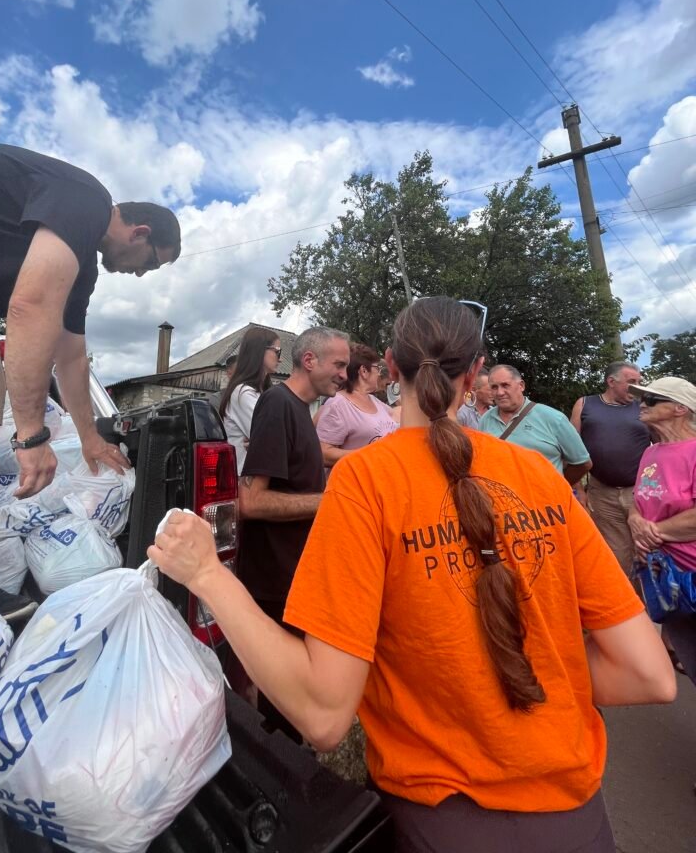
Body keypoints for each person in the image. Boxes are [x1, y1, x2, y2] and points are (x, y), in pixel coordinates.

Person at [149, 297, 674, 853]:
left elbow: (323, 713)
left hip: (441, 822)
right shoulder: (536, 474)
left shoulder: (364, 481)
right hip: (581, 821)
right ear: (474, 374)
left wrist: (207, 574)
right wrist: (524, 670)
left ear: (391, 365)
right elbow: (650, 676)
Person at [0, 140, 180, 619]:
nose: (142, 274)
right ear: (140, 232)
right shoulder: (87, 200)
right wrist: (30, 434)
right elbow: (31, 305)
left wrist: (89, 438)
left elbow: (71, 356)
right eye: (151, 263)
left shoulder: (82, 268)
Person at [236, 326, 349, 739]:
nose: (345, 375)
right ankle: (276, 767)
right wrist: (331, 502)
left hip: (295, 576)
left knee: (294, 697)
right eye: (339, 365)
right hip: (274, 582)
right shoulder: (277, 404)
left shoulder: (301, 409)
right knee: (282, 706)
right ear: (309, 360)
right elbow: (250, 501)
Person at [627, 376, 696, 682]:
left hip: (691, 571)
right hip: (662, 576)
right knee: (690, 656)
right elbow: (639, 499)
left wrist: (652, 532)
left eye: (652, 399)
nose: (642, 404)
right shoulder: (651, 452)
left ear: (680, 408)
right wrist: (634, 520)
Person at [569, 362, 650, 577]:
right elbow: (570, 449)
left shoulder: (644, 407)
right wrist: (579, 490)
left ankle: (651, 597)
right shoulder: (585, 404)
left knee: (646, 549)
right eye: (631, 382)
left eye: (639, 382)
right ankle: (625, 597)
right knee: (616, 554)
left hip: (641, 492)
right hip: (602, 494)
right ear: (611, 382)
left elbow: (663, 445)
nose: (637, 387)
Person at [481, 365, 592, 484]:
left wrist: (557, 486)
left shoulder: (554, 418)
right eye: (494, 387)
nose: (500, 392)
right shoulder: (486, 419)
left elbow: (583, 463)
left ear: (521, 385)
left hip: (544, 495)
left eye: (505, 385)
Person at [315, 343, 398, 466]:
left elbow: (397, 415)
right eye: (377, 368)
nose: (379, 374)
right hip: (352, 477)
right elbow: (323, 454)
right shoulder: (338, 404)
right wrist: (369, 454)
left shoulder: (374, 401)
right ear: (364, 371)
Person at [219, 328, 281, 472]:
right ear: (260, 351)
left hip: (258, 474)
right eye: (277, 351)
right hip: (243, 478)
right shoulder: (243, 393)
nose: (280, 359)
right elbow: (273, 439)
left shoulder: (262, 392)